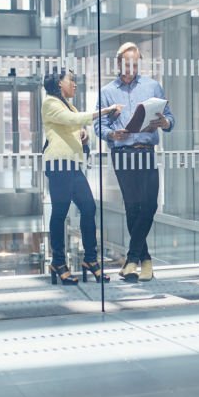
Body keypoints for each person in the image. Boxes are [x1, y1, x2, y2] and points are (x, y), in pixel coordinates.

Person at [95, 42, 175, 282]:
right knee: (132, 207)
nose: (131, 67)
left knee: (149, 205)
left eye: (135, 63)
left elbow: (170, 118)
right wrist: (111, 134)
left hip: (146, 151)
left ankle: (132, 258)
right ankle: (145, 261)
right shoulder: (107, 92)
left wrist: (164, 123)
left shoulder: (152, 86)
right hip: (122, 153)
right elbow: (99, 125)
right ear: (118, 63)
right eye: (126, 63)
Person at [41, 70, 121, 284]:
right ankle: (58, 261)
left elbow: (72, 126)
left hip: (72, 164)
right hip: (58, 164)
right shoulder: (50, 102)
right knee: (60, 212)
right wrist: (105, 111)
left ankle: (90, 260)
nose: (74, 85)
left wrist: (83, 135)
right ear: (59, 83)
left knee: (89, 208)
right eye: (71, 80)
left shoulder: (68, 104)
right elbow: (72, 120)